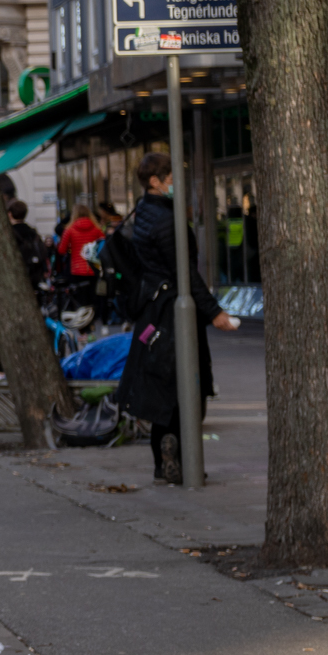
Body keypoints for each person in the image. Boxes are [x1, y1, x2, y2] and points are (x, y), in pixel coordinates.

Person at [112, 153, 238, 482]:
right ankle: (180, 456)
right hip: (172, 311)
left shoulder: (143, 213)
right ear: (154, 181)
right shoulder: (166, 220)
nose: (174, 181)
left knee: (162, 386)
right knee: (185, 386)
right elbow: (185, 273)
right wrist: (215, 312)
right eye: (169, 176)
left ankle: (163, 458)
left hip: (153, 311)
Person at [7, 199, 50, 284]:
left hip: (16, 274)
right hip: (34, 274)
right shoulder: (33, 233)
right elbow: (43, 252)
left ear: (10, 214)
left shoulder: (9, 233)